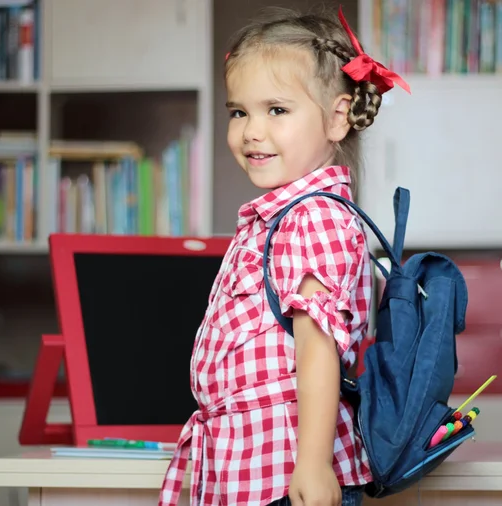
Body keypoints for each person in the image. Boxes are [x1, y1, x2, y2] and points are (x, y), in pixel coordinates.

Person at [159, 6, 409, 506]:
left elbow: (317, 347)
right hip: (250, 465)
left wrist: (313, 464)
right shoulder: (278, 218)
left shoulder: (312, 216)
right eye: (239, 111)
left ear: (338, 117)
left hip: (282, 473)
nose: (251, 130)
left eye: (276, 109)